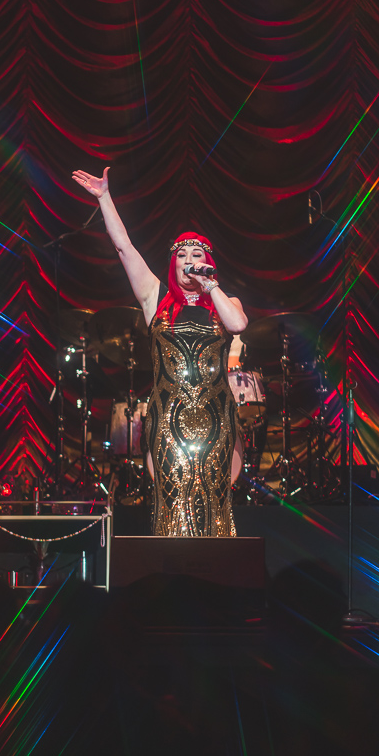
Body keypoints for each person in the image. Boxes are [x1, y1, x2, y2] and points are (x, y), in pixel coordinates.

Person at [72, 165, 248, 536]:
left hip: (217, 418)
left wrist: (210, 284)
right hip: (169, 419)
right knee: (173, 505)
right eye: (182, 255)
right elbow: (124, 247)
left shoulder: (224, 301)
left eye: (196, 254)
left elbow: (238, 326)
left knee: (215, 504)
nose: (189, 260)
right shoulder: (157, 300)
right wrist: (105, 198)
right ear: (173, 262)